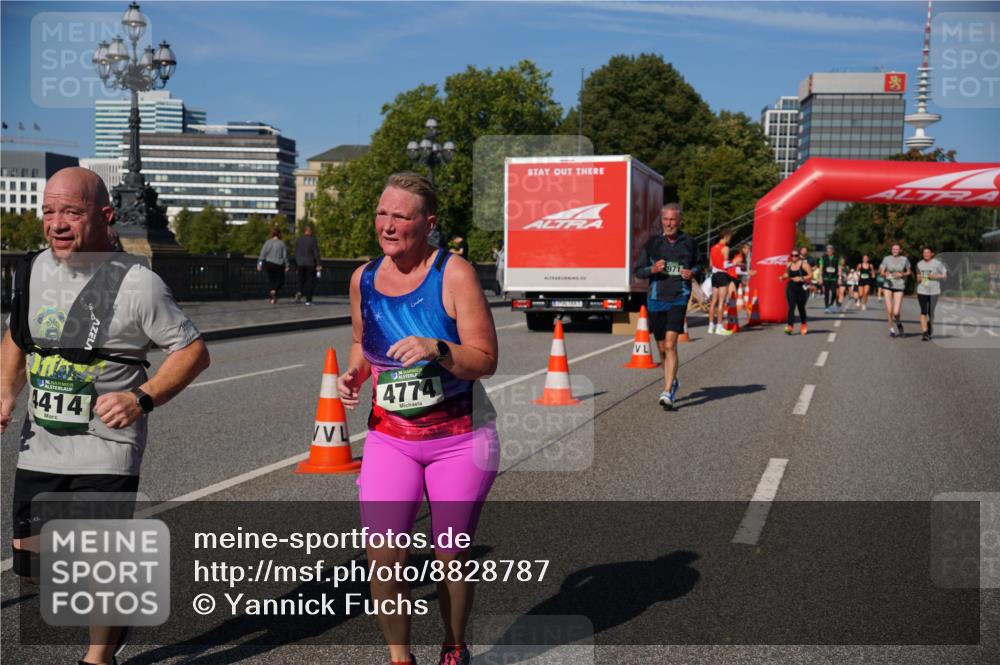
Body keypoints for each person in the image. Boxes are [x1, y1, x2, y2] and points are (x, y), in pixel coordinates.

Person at [0, 167, 210, 665]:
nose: (56, 223)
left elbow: (193, 352)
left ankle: (99, 656)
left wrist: (142, 397)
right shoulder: (32, 270)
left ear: (105, 216)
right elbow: (17, 338)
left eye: (71, 212)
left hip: (107, 448)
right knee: (33, 566)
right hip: (41, 445)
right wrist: (6, 391)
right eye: (49, 211)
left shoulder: (138, 284)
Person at [337, 172, 499, 665]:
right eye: (382, 214)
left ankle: (454, 645)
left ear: (427, 224)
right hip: (391, 438)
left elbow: (486, 359)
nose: (387, 226)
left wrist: (437, 348)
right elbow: (363, 341)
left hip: (460, 438)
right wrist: (355, 372)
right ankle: (399, 658)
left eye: (400, 217)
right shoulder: (363, 279)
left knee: (451, 555)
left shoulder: (454, 274)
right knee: (384, 559)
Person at [633, 203, 701, 410]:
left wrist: (692, 272)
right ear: (661, 221)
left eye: (673, 220)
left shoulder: (689, 242)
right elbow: (638, 271)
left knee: (671, 345)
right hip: (656, 299)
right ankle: (672, 381)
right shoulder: (653, 243)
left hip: (679, 297)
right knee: (662, 348)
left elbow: (699, 264)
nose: (669, 223)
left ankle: (667, 389)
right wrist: (652, 269)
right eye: (666, 219)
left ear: (680, 221)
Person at [879, 242, 912, 337]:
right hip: (888, 285)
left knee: (896, 312)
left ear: (900, 250)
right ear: (891, 250)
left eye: (897, 249)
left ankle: (898, 324)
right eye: (893, 249)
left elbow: (909, 272)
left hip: (899, 286)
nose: (895, 251)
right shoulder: (886, 259)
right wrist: (885, 274)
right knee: (890, 310)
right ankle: (891, 329)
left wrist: (902, 274)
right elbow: (881, 272)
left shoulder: (904, 259)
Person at [916, 245, 947, 341]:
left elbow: (945, 276)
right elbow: (918, 278)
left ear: (932, 254)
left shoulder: (938, 263)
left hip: (934, 291)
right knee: (923, 311)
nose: (926, 254)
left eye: (928, 252)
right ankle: (925, 333)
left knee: (931, 312)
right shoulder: (919, 264)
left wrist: (934, 276)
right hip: (922, 290)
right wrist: (920, 278)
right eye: (924, 253)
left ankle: (930, 324)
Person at [707, 228, 733, 336]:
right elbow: (726, 265)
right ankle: (719, 327)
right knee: (721, 302)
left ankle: (710, 326)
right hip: (722, 275)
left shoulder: (713, 248)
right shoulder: (726, 248)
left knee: (714, 301)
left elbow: (711, 265)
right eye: (730, 237)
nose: (730, 240)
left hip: (714, 275)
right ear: (726, 236)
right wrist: (735, 264)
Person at [778, 250, 811, 334]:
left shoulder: (804, 264)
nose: (794, 257)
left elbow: (810, 275)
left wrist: (800, 278)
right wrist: (782, 277)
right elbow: (787, 274)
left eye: (796, 255)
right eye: (792, 255)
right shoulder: (789, 264)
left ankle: (803, 324)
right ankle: (790, 326)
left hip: (801, 288)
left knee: (801, 307)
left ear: (799, 256)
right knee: (791, 306)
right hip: (791, 287)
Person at [257, 227, 290, 304]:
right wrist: (287, 265)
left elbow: (262, 255)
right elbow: (285, 256)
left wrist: (259, 264)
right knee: (280, 281)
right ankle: (274, 291)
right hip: (278, 264)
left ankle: (273, 298)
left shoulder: (267, 242)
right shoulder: (282, 243)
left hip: (269, 264)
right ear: (279, 234)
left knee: (271, 281)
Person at [294, 224, 322, 305]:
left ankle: (299, 291)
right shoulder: (313, 240)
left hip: (300, 263)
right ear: (310, 231)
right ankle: (308, 300)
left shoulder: (299, 239)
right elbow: (316, 253)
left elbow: (296, 252)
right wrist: (318, 264)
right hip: (310, 263)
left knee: (300, 280)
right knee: (310, 282)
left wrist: (296, 264)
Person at [818, 244, 841, 313]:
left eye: (830, 250)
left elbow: (839, 268)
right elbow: (821, 268)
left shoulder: (837, 258)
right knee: (826, 293)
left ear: (833, 251)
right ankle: (826, 307)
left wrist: (839, 278)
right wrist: (820, 277)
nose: (829, 251)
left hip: (834, 278)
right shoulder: (823, 258)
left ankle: (831, 304)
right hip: (825, 277)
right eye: (828, 250)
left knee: (834, 292)